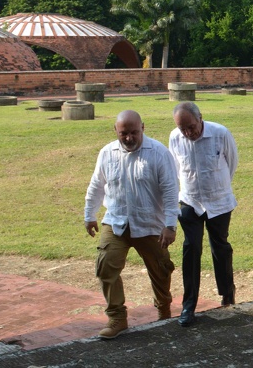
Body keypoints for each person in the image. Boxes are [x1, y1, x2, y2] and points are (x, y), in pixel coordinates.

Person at [84, 110, 179, 339]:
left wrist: (170, 225)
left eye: (134, 132)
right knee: (106, 265)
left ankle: (164, 310)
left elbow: (170, 190)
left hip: (150, 224)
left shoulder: (158, 153)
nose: (129, 138)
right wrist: (90, 214)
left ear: (143, 128)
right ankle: (117, 317)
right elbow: (97, 184)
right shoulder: (107, 153)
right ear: (115, 131)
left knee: (160, 269)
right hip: (116, 221)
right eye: (123, 133)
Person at [169, 102, 239, 327]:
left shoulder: (220, 133)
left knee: (220, 247)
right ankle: (189, 304)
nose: (188, 133)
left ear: (201, 119)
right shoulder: (175, 138)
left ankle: (227, 294)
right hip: (190, 200)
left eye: (191, 127)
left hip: (219, 200)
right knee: (191, 248)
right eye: (183, 129)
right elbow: (175, 168)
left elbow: (232, 163)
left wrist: (218, 186)